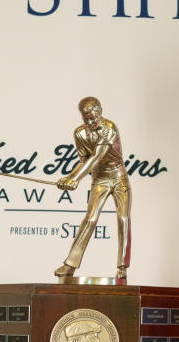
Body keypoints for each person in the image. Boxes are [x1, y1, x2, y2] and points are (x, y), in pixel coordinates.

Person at [54, 96, 131, 280]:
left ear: (100, 111)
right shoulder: (79, 133)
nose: (90, 121)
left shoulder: (110, 127)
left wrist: (76, 180)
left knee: (123, 219)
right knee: (90, 219)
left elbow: (97, 157)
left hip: (119, 178)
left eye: (93, 117)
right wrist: (69, 178)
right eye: (86, 117)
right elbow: (83, 161)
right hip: (100, 179)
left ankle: (122, 267)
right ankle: (70, 265)